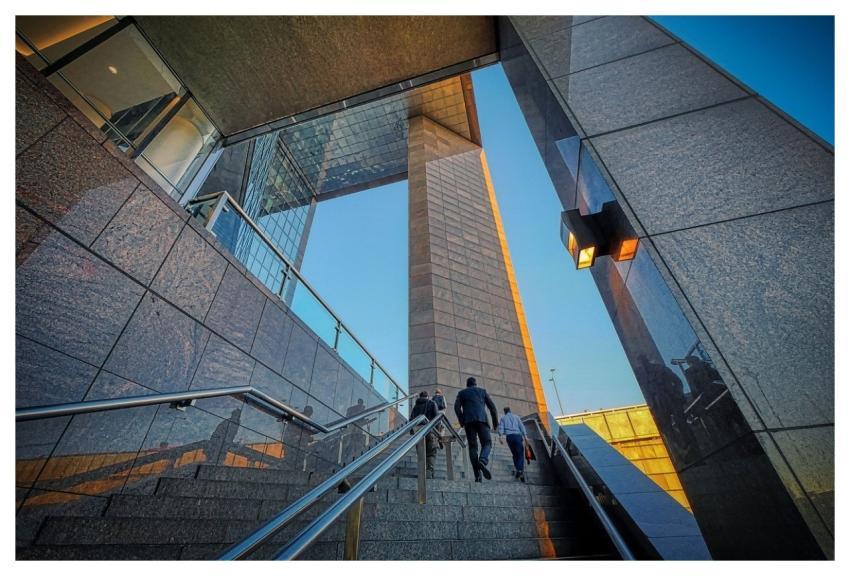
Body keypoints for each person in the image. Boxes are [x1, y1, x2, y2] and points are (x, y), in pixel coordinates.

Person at [454, 376, 499, 482]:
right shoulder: (482, 391)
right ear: (475, 384)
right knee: (487, 443)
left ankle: (477, 476)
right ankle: (483, 460)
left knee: (473, 447)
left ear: (467, 384)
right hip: (482, 420)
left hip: (469, 422)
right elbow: (492, 407)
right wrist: (495, 424)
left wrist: (461, 421)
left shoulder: (462, 393)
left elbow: (456, 408)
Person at [409, 391, 439, 479]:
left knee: (421, 453)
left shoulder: (415, 406)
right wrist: (437, 432)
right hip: (430, 430)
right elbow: (437, 417)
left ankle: (422, 472)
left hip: (418, 432)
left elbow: (411, 419)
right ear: (428, 396)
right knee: (431, 452)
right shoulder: (432, 403)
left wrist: (412, 431)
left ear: (420, 397)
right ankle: (429, 472)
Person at [497, 406, 528, 482]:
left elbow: (501, 428)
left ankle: (518, 469)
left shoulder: (503, 418)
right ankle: (520, 470)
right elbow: (522, 427)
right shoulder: (516, 417)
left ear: (505, 412)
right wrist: (525, 437)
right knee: (520, 454)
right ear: (510, 411)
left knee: (514, 454)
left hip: (509, 437)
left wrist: (500, 436)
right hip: (517, 436)